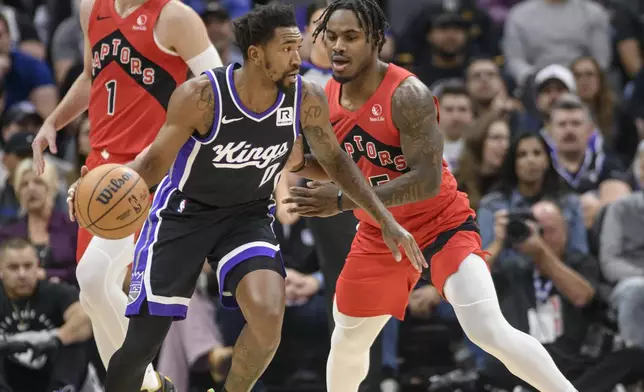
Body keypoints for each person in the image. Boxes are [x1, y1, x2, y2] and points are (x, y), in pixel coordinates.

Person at [66, 4, 423, 392]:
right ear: (256, 54)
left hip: (247, 217)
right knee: (140, 346)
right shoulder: (201, 96)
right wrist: (101, 187)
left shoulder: (307, 99)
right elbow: (152, 164)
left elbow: (336, 163)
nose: (297, 58)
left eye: (298, 47)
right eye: (287, 49)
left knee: (269, 317)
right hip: (183, 214)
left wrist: (387, 219)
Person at [283, 0, 578, 391]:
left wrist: (339, 201)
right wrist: (294, 161)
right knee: (348, 338)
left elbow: (426, 182)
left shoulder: (408, 94)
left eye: (351, 37)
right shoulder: (324, 98)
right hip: (380, 232)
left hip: (440, 224)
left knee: (487, 330)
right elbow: (343, 165)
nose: (338, 46)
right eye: (332, 37)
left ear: (375, 41)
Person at [31, 0, 223, 389]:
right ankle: (145, 384)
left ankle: (148, 382)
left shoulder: (176, 17)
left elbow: (220, 94)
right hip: (98, 175)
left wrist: (188, 158)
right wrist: (53, 120)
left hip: (147, 174)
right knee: (92, 293)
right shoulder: (92, 9)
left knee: (95, 276)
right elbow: (91, 77)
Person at [0, 238, 93, 392]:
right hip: (9, 374)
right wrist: (12, 343)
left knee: (75, 342)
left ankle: (62, 389)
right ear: (1, 270)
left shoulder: (55, 291)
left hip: (51, 370)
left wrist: (53, 338)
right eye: (13, 267)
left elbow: (84, 321)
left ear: (38, 266)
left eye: (28, 266)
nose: (22, 274)